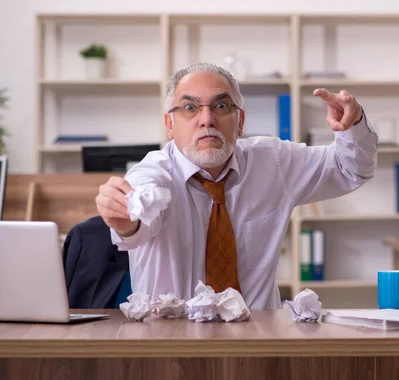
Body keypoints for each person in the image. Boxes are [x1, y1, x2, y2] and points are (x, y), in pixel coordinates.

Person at [95, 62, 378, 309]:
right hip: (172, 344)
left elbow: (351, 168)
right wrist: (125, 218)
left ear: (240, 121)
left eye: (221, 105)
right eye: (190, 107)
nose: (207, 119)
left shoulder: (272, 162)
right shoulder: (153, 173)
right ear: (170, 124)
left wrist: (353, 126)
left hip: (256, 341)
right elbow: (139, 217)